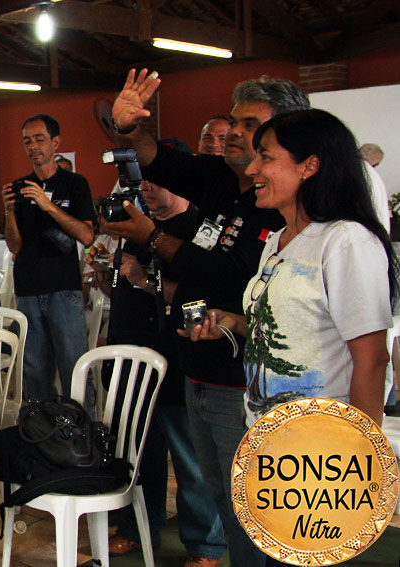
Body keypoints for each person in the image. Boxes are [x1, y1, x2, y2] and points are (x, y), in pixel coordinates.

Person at [103, 70, 305, 567]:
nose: (236, 133)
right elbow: (160, 159)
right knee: (224, 498)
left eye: (250, 124)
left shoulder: (289, 210)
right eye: (234, 122)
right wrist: (126, 127)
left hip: (243, 382)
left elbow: (230, 272)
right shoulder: (225, 182)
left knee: (254, 506)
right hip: (198, 365)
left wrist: (152, 236)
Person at [183, 109, 394, 428]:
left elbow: (373, 359)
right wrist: (237, 323)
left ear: (309, 165)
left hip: (324, 444)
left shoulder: (346, 242)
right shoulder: (279, 239)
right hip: (269, 433)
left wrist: (361, 449)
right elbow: (297, 326)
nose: (252, 169)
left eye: (265, 157)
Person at [85, 181, 226, 567]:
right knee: (136, 451)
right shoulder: (135, 227)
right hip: (132, 353)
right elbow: (124, 286)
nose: (144, 192)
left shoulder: (202, 229)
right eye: (139, 184)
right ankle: (136, 528)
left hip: (180, 355)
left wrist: (144, 281)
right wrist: (107, 275)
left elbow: (204, 298)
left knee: (189, 456)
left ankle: (205, 546)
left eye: (154, 183)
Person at [0, 113, 96, 401]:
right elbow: (15, 247)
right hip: (28, 289)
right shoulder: (18, 187)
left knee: (74, 366)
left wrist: (47, 204)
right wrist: (8, 211)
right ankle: (42, 435)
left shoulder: (75, 184)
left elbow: (87, 236)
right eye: (27, 141)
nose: (33, 147)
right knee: (34, 372)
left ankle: (85, 435)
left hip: (64, 289)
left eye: (39, 139)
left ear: (55, 143)